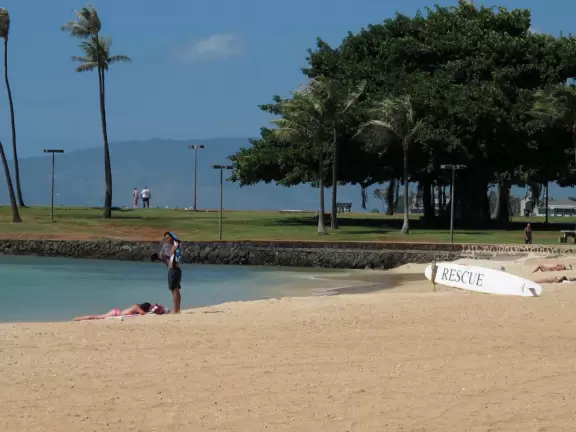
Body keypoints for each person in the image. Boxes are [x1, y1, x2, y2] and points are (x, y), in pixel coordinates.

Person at [151, 231, 182, 314]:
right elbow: (166, 258)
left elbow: (171, 254)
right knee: (176, 290)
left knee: (174, 290)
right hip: (176, 270)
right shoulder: (175, 245)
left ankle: (176, 310)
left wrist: (161, 256)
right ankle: (177, 309)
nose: (166, 240)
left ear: (172, 237)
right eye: (165, 238)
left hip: (174, 269)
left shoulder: (174, 245)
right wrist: (158, 257)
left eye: (168, 238)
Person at [73, 302, 152, 321]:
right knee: (97, 316)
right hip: (116, 313)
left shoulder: (135, 305)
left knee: (98, 316)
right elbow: (143, 313)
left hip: (117, 311)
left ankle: (79, 318)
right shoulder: (137, 307)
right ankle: (78, 318)